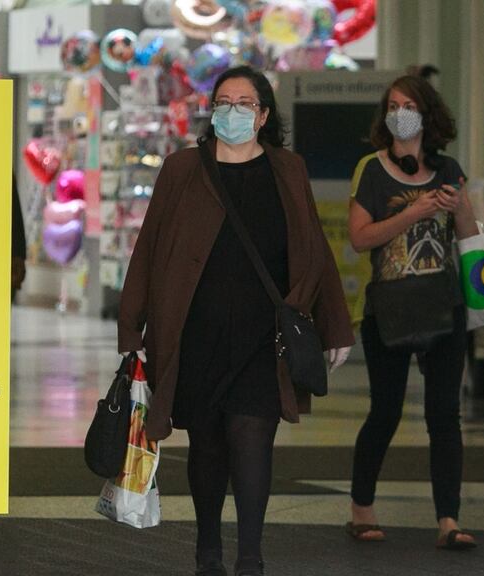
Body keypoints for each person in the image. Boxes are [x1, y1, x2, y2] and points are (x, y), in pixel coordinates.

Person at [118, 66, 354, 576]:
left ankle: (250, 556)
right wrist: (130, 323)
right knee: (207, 445)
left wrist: (336, 324)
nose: (232, 112)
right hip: (196, 332)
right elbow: (150, 246)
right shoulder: (184, 169)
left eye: (245, 104)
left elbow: (315, 248)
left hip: (262, 336)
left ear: (264, 114)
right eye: (224, 102)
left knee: (252, 439)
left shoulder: (287, 169)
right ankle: (208, 549)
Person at [346, 75, 479, 550]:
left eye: (408, 105)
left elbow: (469, 236)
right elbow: (360, 238)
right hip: (390, 306)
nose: (400, 112)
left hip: (444, 302)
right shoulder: (373, 169)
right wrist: (415, 211)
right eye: (393, 105)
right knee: (385, 410)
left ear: (427, 114)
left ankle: (449, 518)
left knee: (445, 414)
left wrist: (457, 205)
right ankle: (362, 507)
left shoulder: (448, 168)